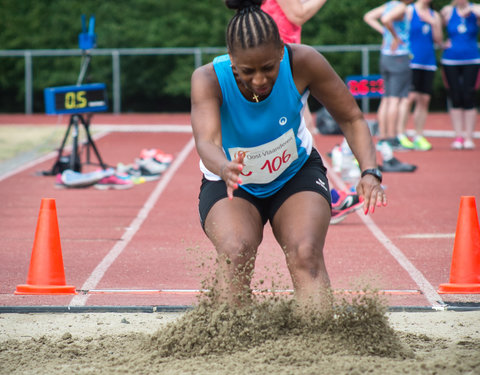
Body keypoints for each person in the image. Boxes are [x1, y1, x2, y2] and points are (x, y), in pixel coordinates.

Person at [190, 0, 387, 308]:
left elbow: (351, 117)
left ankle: (319, 342)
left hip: (294, 175)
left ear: (282, 50)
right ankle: (227, 343)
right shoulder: (208, 79)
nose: (259, 80)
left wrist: (370, 171)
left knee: (305, 251)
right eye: (247, 71)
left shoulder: (303, 61)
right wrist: (224, 166)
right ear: (231, 60)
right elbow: (205, 141)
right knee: (236, 250)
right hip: (232, 183)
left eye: (268, 68)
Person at [261, 0, 328, 141]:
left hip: (277, 54)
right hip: (280, 57)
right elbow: (298, 15)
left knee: (303, 124)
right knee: (302, 125)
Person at [364, 0, 418, 172]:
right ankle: (392, 137)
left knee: (387, 98)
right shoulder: (401, 7)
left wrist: (385, 33)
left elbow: (369, 17)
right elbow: (386, 19)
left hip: (386, 56)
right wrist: (396, 37)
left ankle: (384, 137)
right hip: (399, 56)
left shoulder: (389, 4)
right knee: (396, 98)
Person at [402, 0, 443, 151]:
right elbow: (402, 32)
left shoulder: (435, 15)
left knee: (424, 100)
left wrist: (433, 23)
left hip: (428, 62)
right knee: (409, 98)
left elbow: (438, 40)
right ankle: (402, 134)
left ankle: (418, 135)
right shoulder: (409, 11)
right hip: (412, 61)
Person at [440, 0, 480, 150]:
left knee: (469, 96)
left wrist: (470, 10)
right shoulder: (448, 11)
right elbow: (435, 27)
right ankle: (458, 136)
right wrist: (441, 43)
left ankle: (469, 136)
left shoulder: (475, 9)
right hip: (451, 60)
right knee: (455, 96)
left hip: (472, 59)